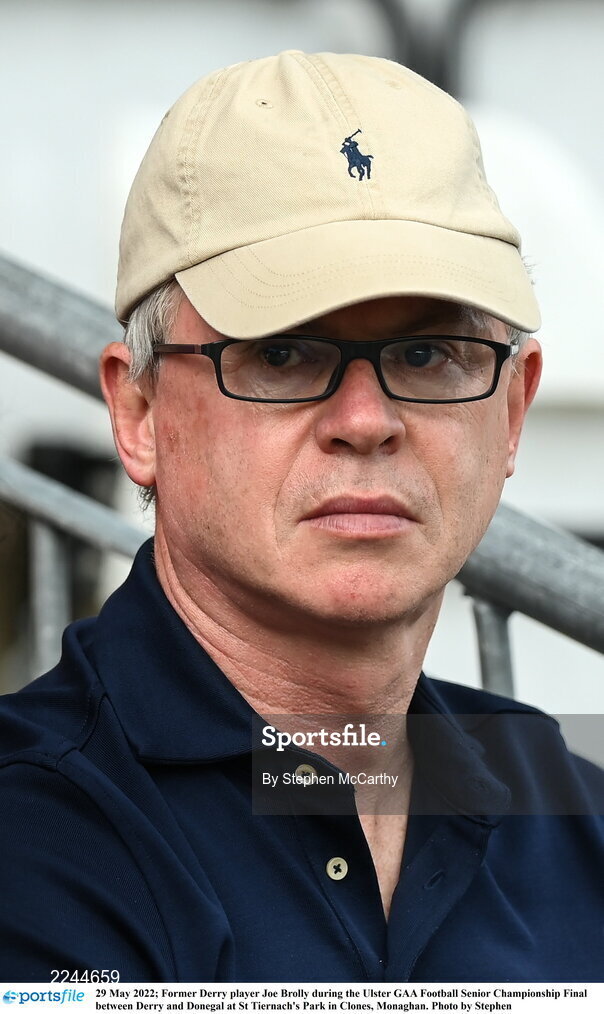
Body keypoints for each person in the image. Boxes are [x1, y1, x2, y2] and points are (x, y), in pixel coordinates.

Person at [0, 50, 602, 984]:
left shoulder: (567, 802)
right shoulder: (33, 831)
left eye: (428, 354)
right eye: (282, 354)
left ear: (513, 410)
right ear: (140, 413)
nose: (365, 420)